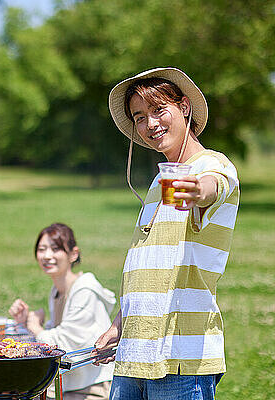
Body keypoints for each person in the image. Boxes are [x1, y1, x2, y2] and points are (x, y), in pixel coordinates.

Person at [94, 67, 240, 400]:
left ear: (184, 107)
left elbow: (214, 185)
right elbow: (152, 268)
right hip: (134, 356)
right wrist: (121, 324)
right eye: (139, 117)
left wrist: (197, 191)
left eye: (159, 110)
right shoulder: (158, 185)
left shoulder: (212, 165)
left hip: (180, 361)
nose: (150, 124)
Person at [9, 223, 116, 400]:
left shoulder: (85, 290)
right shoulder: (57, 290)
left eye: (55, 249)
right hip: (69, 385)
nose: (47, 256)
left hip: (93, 388)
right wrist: (26, 322)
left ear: (73, 254)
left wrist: (35, 327)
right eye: (42, 249)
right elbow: (59, 332)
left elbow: (66, 344)